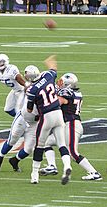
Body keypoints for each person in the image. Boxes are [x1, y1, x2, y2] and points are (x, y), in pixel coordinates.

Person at [39, 73, 102, 181]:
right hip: (67, 125)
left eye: (62, 82)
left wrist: (51, 91)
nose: (59, 83)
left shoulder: (66, 93)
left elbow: (57, 102)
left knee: (72, 152)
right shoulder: (75, 92)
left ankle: (94, 173)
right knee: (47, 142)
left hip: (71, 125)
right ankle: (52, 166)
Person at [26, 55, 72, 185]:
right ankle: (67, 166)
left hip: (46, 116)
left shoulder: (31, 90)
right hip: (58, 113)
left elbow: (29, 110)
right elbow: (53, 68)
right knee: (62, 144)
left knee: (40, 145)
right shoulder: (47, 76)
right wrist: (50, 60)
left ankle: (34, 175)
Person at [0, 65, 40, 172]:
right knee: (12, 139)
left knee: (29, 149)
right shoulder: (26, 88)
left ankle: (15, 160)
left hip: (34, 122)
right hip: (23, 117)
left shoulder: (39, 87)